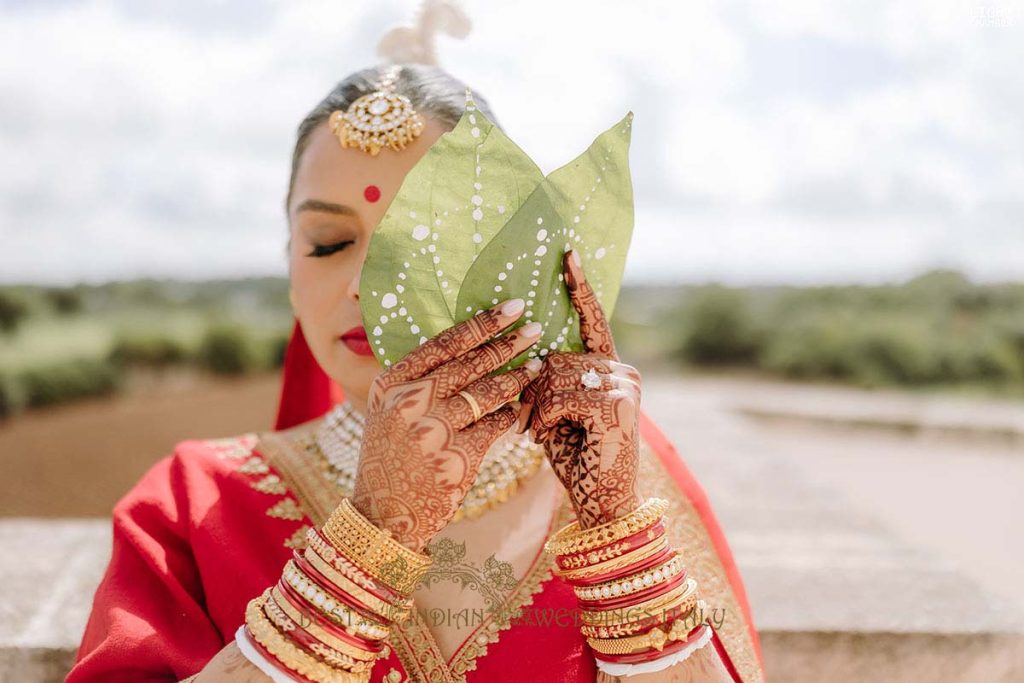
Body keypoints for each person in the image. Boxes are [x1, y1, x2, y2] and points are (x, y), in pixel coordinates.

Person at [66, 3, 765, 682]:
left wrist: (618, 542)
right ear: (288, 267)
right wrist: (364, 547)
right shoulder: (195, 503)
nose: (365, 289)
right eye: (329, 243)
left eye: (421, 243)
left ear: (509, 257)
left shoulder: (618, 482)